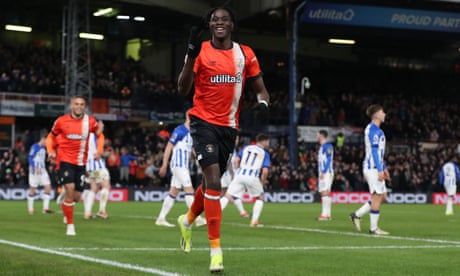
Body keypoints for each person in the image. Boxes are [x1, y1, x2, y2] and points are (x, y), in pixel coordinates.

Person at [176, 6, 270, 273]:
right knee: (216, 180)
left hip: (229, 127)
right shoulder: (200, 50)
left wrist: (263, 104)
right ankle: (216, 252)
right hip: (202, 122)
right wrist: (190, 55)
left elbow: (262, 90)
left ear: (232, 25)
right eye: (214, 20)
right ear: (210, 25)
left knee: (208, 183)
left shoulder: (246, 54)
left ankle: (188, 219)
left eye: (224, 19)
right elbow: (183, 89)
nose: (219, 23)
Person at [46, 95, 103, 236]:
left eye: (82, 104)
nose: (79, 106)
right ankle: (70, 226)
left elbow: (100, 135)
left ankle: (65, 202)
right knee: (70, 189)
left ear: (85, 106)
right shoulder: (61, 121)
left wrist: (99, 151)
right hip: (65, 160)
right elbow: (51, 136)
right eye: (76, 104)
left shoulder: (90, 121)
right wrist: (51, 151)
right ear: (71, 105)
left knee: (76, 197)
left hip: (81, 163)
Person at [155, 112, 206, 227]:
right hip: (179, 165)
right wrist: (164, 164)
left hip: (183, 165)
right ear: (189, 117)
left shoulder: (192, 132)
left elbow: (192, 149)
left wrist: (199, 160)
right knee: (189, 190)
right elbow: (169, 147)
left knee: (174, 192)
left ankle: (161, 218)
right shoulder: (180, 130)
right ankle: (196, 218)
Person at [349, 104, 390, 235]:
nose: (384, 114)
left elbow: (379, 152)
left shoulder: (374, 129)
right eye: (383, 112)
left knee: (383, 196)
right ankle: (373, 228)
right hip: (372, 168)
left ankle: (356, 215)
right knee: (377, 197)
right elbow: (374, 151)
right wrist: (379, 169)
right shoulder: (374, 130)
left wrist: (384, 168)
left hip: (375, 166)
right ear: (377, 114)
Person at [220, 133, 271, 227]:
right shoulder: (264, 153)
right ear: (264, 141)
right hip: (252, 177)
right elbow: (265, 171)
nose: (268, 143)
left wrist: (238, 169)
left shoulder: (247, 148)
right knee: (260, 197)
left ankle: (212, 217)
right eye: (268, 141)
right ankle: (254, 222)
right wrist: (262, 182)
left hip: (240, 175)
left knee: (227, 195)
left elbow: (235, 160)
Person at [219, 135, 250, 218]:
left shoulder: (230, 147)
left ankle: (214, 210)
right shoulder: (230, 147)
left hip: (224, 173)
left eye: (238, 139)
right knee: (232, 192)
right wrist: (232, 174)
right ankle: (242, 212)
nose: (237, 141)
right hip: (228, 173)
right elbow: (228, 162)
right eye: (236, 139)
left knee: (224, 193)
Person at [83, 132, 111, 219]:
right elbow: (99, 152)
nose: (102, 125)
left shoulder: (86, 135)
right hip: (97, 166)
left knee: (93, 189)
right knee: (106, 186)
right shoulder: (95, 136)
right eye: (101, 123)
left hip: (89, 166)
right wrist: (108, 153)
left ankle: (87, 213)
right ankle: (101, 211)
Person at [27, 134, 53, 214]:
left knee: (48, 186)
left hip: (42, 170)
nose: (47, 142)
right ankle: (30, 209)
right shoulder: (35, 147)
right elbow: (30, 157)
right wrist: (34, 167)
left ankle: (45, 208)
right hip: (34, 171)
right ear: (42, 139)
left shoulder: (44, 148)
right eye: (46, 140)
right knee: (33, 189)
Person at [316, 129, 334, 221]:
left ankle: (324, 214)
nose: (316, 135)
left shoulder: (327, 146)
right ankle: (327, 215)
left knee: (324, 192)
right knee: (325, 192)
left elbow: (329, 159)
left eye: (317, 134)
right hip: (325, 172)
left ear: (321, 136)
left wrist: (323, 171)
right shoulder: (322, 147)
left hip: (326, 172)